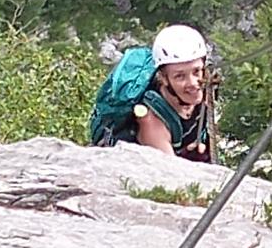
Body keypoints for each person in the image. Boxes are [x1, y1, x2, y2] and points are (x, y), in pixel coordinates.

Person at [91, 24, 214, 161]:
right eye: (180, 76)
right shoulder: (152, 121)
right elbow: (173, 175)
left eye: (196, 71)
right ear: (163, 78)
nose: (193, 83)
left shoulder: (205, 89)